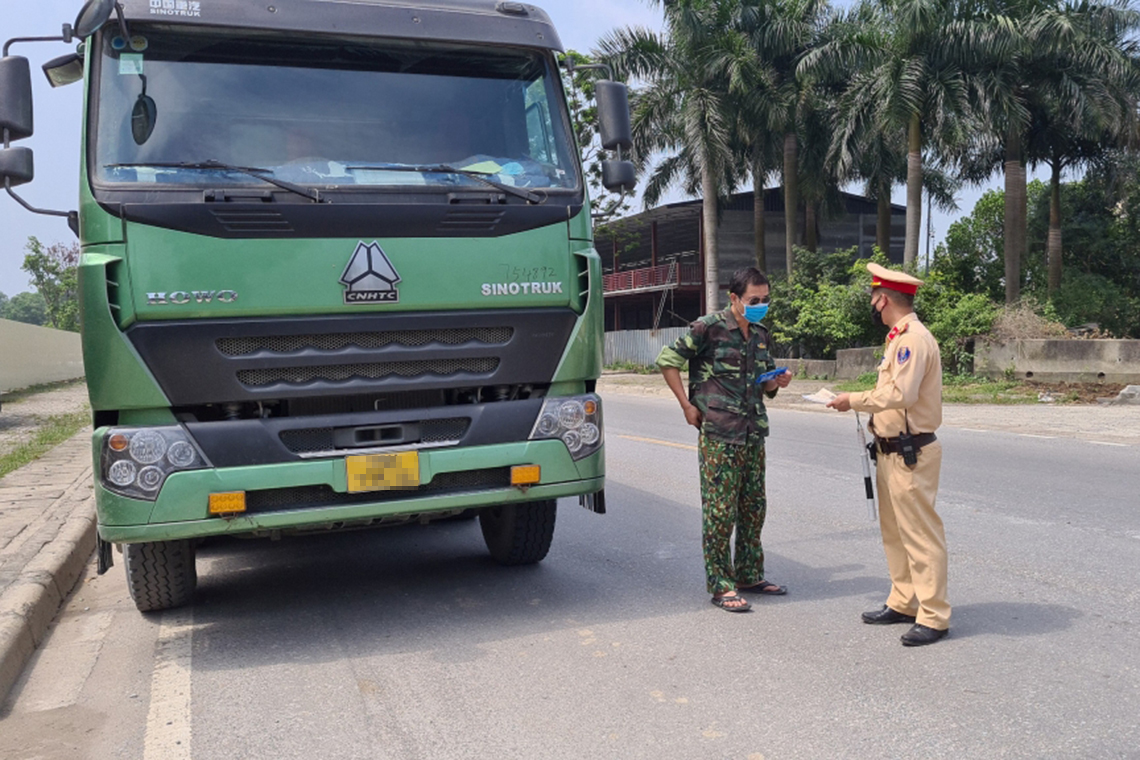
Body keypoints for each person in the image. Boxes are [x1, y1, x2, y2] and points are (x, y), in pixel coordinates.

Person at [826, 262, 950, 646]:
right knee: (894, 533)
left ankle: (934, 615)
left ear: (882, 299)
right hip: (892, 450)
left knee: (920, 535)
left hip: (910, 452)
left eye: (873, 299)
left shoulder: (912, 339)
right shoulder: (899, 337)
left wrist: (854, 400)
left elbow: (902, 395)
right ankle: (904, 600)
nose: (873, 306)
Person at [656, 267, 792, 612]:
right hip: (719, 433)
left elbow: (765, 384)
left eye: (765, 300)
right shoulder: (709, 328)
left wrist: (778, 381)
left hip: (752, 433)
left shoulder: (760, 334)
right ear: (734, 298)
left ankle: (748, 574)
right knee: (720, 512)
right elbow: (667, 360)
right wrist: (686, 406)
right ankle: (721, 584)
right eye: (753, 300)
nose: (761, 305)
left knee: (753, 509)